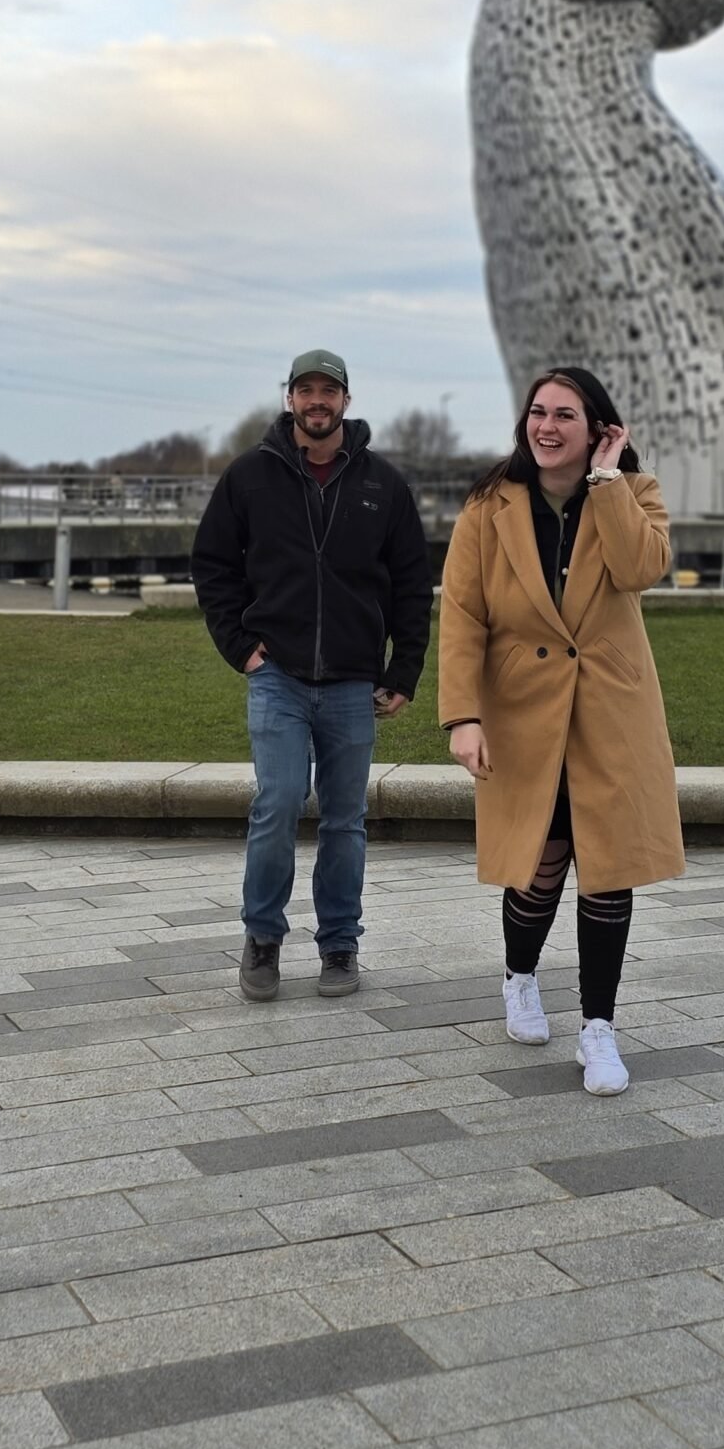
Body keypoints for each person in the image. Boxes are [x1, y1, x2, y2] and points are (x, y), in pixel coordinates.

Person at [438, 366, 682, 1093]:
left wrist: (606, 485)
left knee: (607, 872)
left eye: (564, 415)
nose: (545, 426)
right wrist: (463, 715)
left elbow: (641, 570)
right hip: (522, 716)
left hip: (611, 714)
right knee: (539, 870)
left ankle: (598, 1030)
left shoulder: (634, 495)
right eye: (537, 412)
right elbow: (461, 614)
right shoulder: (489, 506)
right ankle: (518, 976)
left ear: (597, 428)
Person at [192, 349, 433, 1002]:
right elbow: (212, 565)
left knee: (344, 820)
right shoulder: (249, 477)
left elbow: (413, 583)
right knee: (276, 805)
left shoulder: (382, 484)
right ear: (289, 398)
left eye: (329, 390)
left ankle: (339, 946)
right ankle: (262, 940)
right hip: (278, 676)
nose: (317, 401)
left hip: (354, 681)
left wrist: (403, 668)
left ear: (346, 401)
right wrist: (240, 647)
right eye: (306, 390)